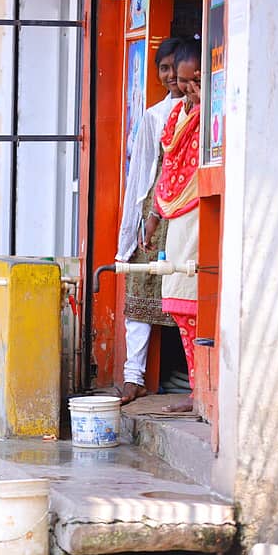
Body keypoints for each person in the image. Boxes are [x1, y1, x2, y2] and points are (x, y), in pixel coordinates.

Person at [116, 37, 183, 405]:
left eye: (177, 67)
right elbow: (139, 177)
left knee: (186, 290)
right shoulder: (154, 117)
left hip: (183, 213)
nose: (171, 75)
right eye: (165, 68)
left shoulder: (200, 113)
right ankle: (133, 376)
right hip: (152, 216)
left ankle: (193, 378)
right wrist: (132, 229)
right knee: (139, 292)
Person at [143, 38, 203, 413]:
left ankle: (202, 392)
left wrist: (203, 104)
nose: (184, 87)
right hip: (178, 217)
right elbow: (167, 166)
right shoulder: (176, 115)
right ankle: (197, 390)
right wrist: (151, 217)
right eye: (181, 81)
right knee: (181, 307)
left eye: (191, 79)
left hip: (201, 217)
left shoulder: (213, 111)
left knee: (198, 304)